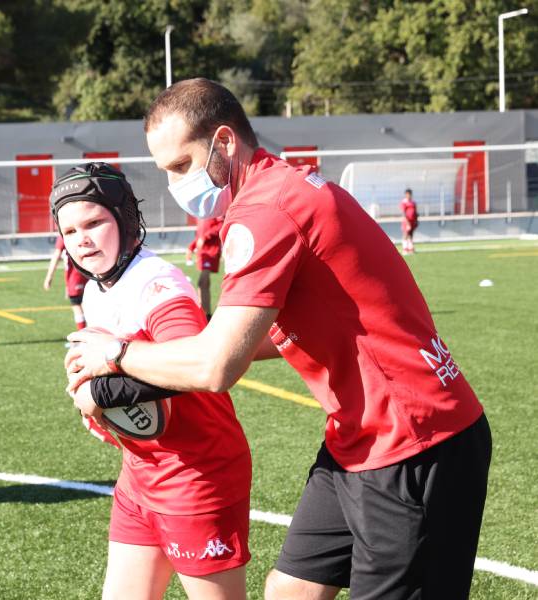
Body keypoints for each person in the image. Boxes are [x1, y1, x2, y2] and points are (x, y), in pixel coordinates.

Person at [65, 78, 491, 600]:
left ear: (223, 143)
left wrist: (117, 354)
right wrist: (172, 355)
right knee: (291, 591)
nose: (177, 184)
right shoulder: (282, 186)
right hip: (358, 435)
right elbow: (257, 335)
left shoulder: (265, 211)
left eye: (181, 166)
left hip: (415, 439)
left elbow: (216, 368)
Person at [52, 162, 253, 600]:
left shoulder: (156, 285)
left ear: (124, 220)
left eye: (94, 223)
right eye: (70, 231)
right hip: (140, 475)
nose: (81, 239)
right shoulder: (97, 285)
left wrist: (98, 394)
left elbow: (197, 369)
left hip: (197, 476)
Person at [43, 234, 88, 331]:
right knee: (87, 305)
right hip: (87, 274)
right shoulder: (80, 232)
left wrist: (49, 277)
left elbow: (56, 256)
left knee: (77, 306)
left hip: (76, 277)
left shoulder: (64, 234)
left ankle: (83, 339)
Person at [186, 216, 224, 320]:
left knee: (203, 281)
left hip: (211, 251)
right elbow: (199, 235)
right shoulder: (199, 215)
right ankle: (205, 313)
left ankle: (206, 314)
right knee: (202, 284)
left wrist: (206, 237)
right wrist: (191, 247)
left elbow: (221, 225)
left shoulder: (214, 210)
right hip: (202, 253)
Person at [400, 188, 418, 254]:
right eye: (407, 194)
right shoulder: (404, 202)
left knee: (411, 234)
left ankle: (410, 248)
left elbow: (415, 212)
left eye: (410, 194)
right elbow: (403, 213)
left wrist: (416, 220)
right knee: (405, 234)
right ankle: (404, 249)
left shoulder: (413, 202)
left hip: (412, 221)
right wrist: (407, 222)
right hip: (406, 221)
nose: (409, 195)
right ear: (405, 195)